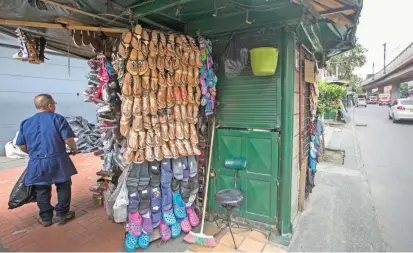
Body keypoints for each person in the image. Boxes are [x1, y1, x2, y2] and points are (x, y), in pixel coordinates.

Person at [16, 94, 78, 227]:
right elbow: (68, 139)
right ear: (50, 105)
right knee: (63, 186)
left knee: (42, 189)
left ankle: (46, 218)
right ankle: (62, 214)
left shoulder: (26, 123)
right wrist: (74, 149)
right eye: (54, 104)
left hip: (37, 162)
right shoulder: (58, 119)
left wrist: (32, 153)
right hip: (58, 160)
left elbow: (21, 145)